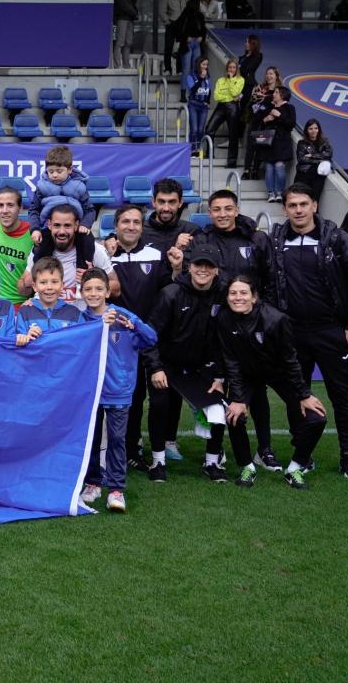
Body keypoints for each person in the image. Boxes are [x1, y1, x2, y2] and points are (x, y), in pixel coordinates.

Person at [268, 183, 348, 480]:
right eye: (292, 205)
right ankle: (303, 452)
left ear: (314, 205)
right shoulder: (276, 240)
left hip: (333, 332)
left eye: (304, 204)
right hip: (293, 333)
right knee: (296, 396)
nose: (298, 210)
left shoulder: (337, 239)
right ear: (284, 208)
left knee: (342, 396)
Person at [184, 189, 279, 471]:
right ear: (209, 213)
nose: (222, 214)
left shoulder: (256, 238)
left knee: (257, 389)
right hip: (215, 325)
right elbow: (189, 274)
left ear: (236, 210)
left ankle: (265, 448)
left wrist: (265, 318)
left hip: (250, 324)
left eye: (228, 208)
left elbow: (270, 280)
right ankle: (216, 449)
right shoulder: (202, 239)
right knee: (216, 386)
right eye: (216, 209)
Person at [217, 276, 328, 489]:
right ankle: (247, 465)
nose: (237, 298)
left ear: (254, 297)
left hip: (279, 374)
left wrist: (304, 395)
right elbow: (231, 361)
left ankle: (296, 467)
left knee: (317, 418)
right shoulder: (223, 319)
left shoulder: (276, 320)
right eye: (233, 293)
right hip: (248, 375)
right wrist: (238, 399)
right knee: (234, 415)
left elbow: (290, 360)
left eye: (243, 293)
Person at [143, 244, 229, 483]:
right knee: (160, 405)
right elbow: (150, 336)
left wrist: (220, 376)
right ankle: (158, 461)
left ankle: (212, 462)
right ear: (189, 267)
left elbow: (227, 338)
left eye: (208, 266)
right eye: (198, 265)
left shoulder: (224, 294)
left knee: (217, 409)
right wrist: (156, 367)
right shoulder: (170, 293)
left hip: (204, 366)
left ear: (216, 270)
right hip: (168, 365)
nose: (203, 270)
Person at [78, 268, 157, 511]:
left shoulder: (123, 317)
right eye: (88, 289)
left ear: (108, 291)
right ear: (81, 293)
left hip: (119, 391)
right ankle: (93, 483)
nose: (93, 294)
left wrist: (134, 326)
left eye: (98, 289)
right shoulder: (81, 319)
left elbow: (151, 339)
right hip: (91, 392)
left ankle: (116, 489)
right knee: (91, 441)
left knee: (116, 441)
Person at [101, 205, 170, 471]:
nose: (131, 226)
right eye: (126, 222)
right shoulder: (105, 256)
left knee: (156, 396)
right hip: (119, 340)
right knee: (131, 395)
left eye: (137, 222)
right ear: (116, 225)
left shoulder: (155, 254)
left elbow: (166, 291)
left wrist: (175, 270)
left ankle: (156, 451)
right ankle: (129, 449)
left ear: (142, 226)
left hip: (148, 334)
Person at [23, 204, 116, 305]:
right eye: (57, 225)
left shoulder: (94, 249)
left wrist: (93, 278)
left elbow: (116, 288)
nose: (62, 231)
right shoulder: (40, 249)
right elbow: (22, 290)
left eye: (67, 226)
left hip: (83, 318)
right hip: (50, 317)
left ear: (76, 225)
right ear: (49, 224)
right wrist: (27, 284)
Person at [29, 145, 93, 233]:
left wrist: (85, 224)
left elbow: (89, 210)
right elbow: (34, 210)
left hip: (75, 229)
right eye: (50, 171)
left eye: (59, 171)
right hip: (47, 228)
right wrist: (35, 229)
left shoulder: (79, 186)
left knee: (87, 240)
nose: (54, 175)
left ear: (69, 169)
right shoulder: (41, 186)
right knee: (40, 244)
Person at [17, 257, 83, 335]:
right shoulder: (25, 312)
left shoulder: (74, 313)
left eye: (54, 282)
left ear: (62, 285)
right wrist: (26, 337)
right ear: (34, 286)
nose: (49, 287)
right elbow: (18, 341)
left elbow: (80, 343)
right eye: (43, 282)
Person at [257, 86, 297, 204]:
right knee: (269, 168)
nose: (273, 94)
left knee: (279, 167)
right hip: (269, 143)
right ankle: (270, 193)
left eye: (276, 92)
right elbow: (259, 122)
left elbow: (291, 124)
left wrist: (279, 115)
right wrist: (265, 120)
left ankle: (279, 192)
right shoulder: (269, 107)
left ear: (282, 95)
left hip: (282, 143)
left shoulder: (290, 108)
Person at [143, 177, 201, 254]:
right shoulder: (140, 230)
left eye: (172, 202)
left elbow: (199, 264)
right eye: (161, 202)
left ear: (180, 203)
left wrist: (181, 252)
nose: (166, 208)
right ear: (153, 202)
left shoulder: (192, 231)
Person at [204, 59, 244, 168]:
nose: (231, 69)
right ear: (227, 68)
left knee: (233, 135)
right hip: (221, 106)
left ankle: (231, 162)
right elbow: (216, 96)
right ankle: (209, 154)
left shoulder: (240, 80)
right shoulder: (220, 80)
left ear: (236, 69)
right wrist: (230, 96)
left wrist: (231, 80)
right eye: (230, 67)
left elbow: (235, 92)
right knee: (209, 129)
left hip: (233, 107)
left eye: (234, 67)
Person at [245, 66, 282, 180]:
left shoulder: (279, 91)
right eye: (267, 73)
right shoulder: (259, 88)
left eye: (271, 74)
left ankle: (256, 170)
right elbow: (251, 104)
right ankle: (247, 170)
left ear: (276, 76)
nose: (268, 76)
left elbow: (280, 105)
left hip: (267, 124)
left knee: (260, 147)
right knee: (251, 146)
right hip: (255, 121)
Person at [176, 0, 207, 102]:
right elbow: (178, 29)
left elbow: (203, 29)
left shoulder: (199, 16)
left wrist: (202, 37)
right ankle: (183, 93)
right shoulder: (185, 15)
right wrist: (185, 38)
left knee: (195, 69)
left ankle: (192, 92)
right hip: (187, 44)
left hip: (196, 43)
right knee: (187, 69)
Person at [294, 118, 334, 199]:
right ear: (307, 130)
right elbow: (301, 158)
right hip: (304, 173)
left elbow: (328, 154)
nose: (313, 131)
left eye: (316, 128)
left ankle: (314, 211)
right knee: (301, 197)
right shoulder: (302, 143)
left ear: (319, 129)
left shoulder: (324, 141)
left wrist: (312, 155)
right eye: (310, 128)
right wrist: (319, 159)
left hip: (319, 175)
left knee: (315, 197)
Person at [113, 0, 139, 68]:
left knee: (128, 42)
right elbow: (123, 4)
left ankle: (126, 64)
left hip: (129, 18)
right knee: (120, 42)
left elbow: (131, 2)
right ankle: (117, 65)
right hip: (122, 18)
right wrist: (134, 13)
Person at [161, 0, 188, 74]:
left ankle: (179, 69)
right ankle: (167, 68)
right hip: (171, 24)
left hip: (182, 26)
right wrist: (167, 21)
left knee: (181, 48)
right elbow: (162, 11)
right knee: (168, 47)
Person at [185, 57, 212, 154]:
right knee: (194, 129)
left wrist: (208, 102)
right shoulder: (191, 76)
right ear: (198, 65)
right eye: (203, 64)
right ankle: (192, 149)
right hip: (193, 104)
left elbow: (209, 90)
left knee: (201, 130)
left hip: (203, 106)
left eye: (206, 65)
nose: (205, 67)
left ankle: (199, 149)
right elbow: (192, 90)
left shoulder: (207, 77)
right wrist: (200, 78)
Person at [238, 35, 263, 112]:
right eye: (246, 42)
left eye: (248, 42)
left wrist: (238, 67)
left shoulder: (258, 56)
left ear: (254, 44)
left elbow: (247, 69)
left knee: (243, 108)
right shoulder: (243, 56)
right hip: (238, 84)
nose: (246, 44)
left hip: (247, 86)